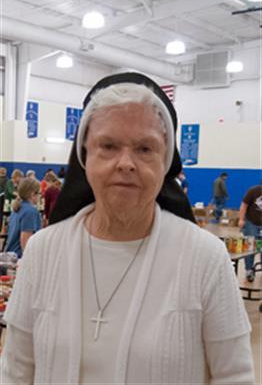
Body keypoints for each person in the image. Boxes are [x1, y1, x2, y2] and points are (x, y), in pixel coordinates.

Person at [1, 73, 255, 384]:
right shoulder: (43, 251)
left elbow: (235, 376)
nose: (126, 163)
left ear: (164, 162)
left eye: (145, 149)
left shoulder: (205, 258)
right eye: (108, 145)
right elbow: (15, 372)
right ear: (85, 157)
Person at [4, 178, 41, 259]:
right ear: (32, 194)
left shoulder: (17, 207)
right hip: (20, 258)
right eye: (39, 193)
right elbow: (25, 241)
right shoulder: (30, 211)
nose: (40, 196)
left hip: (11, 255)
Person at [238, 184, 262, 282]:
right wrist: (241, 219)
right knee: (250, 247)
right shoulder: (254, 190)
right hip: (251, 223)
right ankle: (249, 270)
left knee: (260, 247)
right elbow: (244, 205)